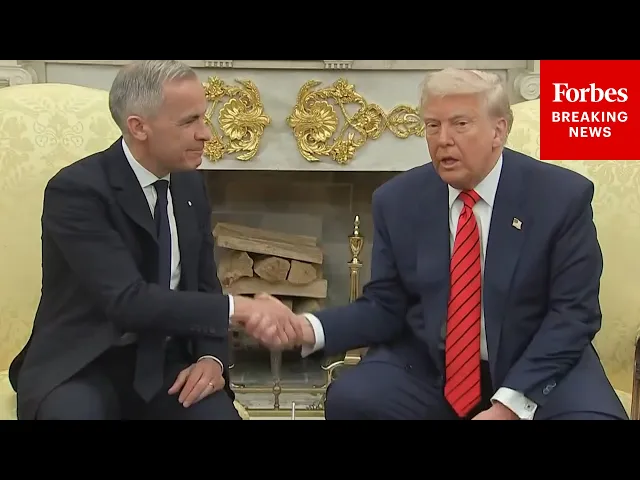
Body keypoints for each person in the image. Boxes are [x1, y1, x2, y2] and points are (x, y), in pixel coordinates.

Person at [243, 68, 629, 420]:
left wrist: (510, 406)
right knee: (353, 400)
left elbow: (573, 315)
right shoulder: (398, 200)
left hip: (538, 364)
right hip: (433, 366)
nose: (443, 140)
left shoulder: (560, 198)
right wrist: (304, 328)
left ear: (498, 131)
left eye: (460, 124)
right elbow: (385, 306)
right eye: (433, 125)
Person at [8, 60, 288, 420]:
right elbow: (127, 300)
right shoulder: (77, 191)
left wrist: (211, 358)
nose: (206, 133)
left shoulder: (189, 185)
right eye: (189, 122)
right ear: (138, 127)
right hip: (83, 365)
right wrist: (243, 309)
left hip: (164, 362)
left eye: (203, 118)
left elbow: (205, 286)